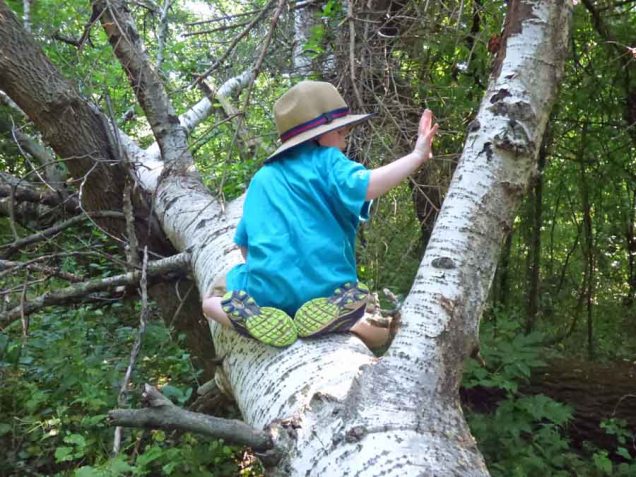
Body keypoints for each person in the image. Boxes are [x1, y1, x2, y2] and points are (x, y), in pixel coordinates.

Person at [202, 80, 438, 348]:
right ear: (320, 136)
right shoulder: (327, 160)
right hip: (328, 289)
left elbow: (245, 246)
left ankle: (254, 317)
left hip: (268, 294)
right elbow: (369, 185)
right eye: (341, 132)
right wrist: (417, 155)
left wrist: (271, 277)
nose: (344, 142)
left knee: (211, 300)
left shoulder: (261, 178)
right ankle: (348, 320)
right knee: (382, 333)